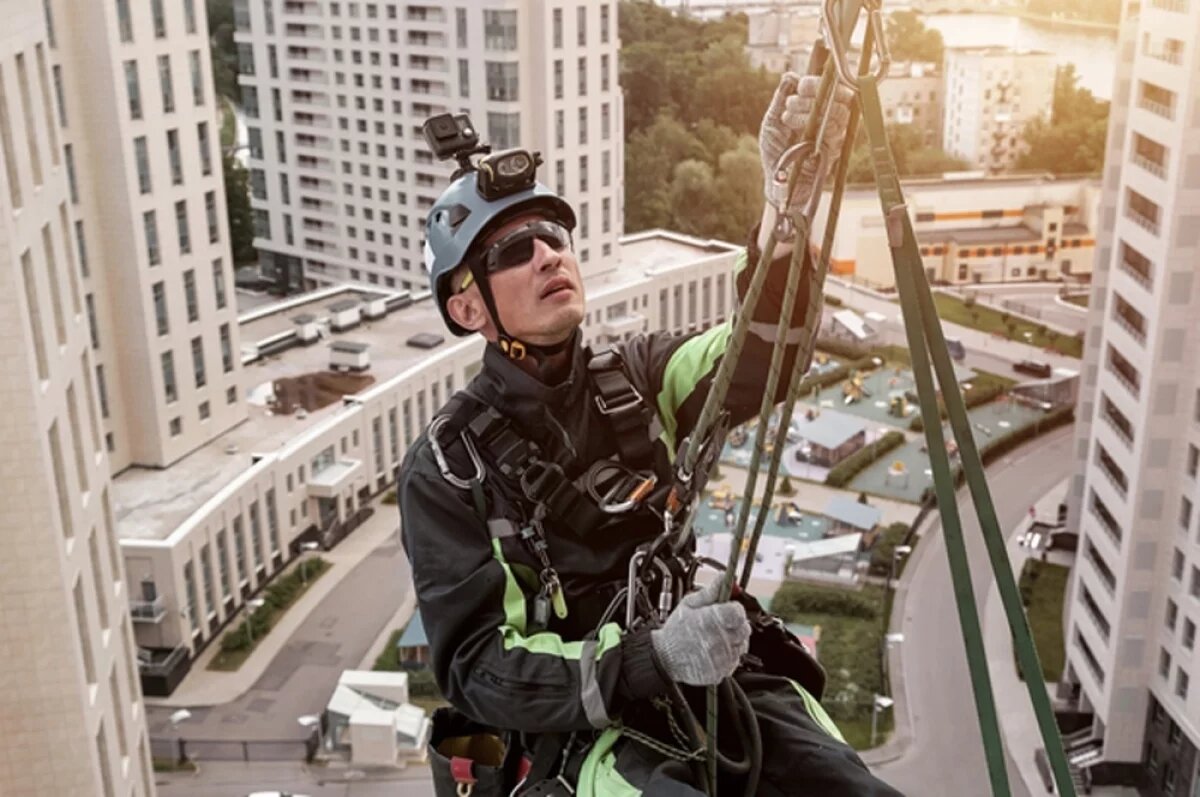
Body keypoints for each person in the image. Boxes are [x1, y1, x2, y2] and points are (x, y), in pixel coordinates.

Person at [399, 74, 904, 796]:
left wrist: (784, 215)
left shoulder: (635, 377)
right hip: (583, 737)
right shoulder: (450, 469)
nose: (548, 254)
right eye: (513, 250)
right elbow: (478, 664)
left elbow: (758, 355)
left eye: (552, 236)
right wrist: (648, 658)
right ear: (469, 305)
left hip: (710, 682)